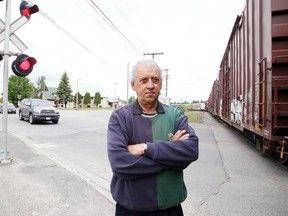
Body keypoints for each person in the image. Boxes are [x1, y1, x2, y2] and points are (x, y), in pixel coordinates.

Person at [107, 59, 199, 216]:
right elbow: (120, 164)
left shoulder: (175, 115)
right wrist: (171, 159)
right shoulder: (120, 117)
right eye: (144, 80)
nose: (150, 85)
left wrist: (146, 148)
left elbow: (191, 150)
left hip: (171, 209)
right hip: (130, 210)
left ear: (161, 85)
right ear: (133, 85)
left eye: (155, 80)